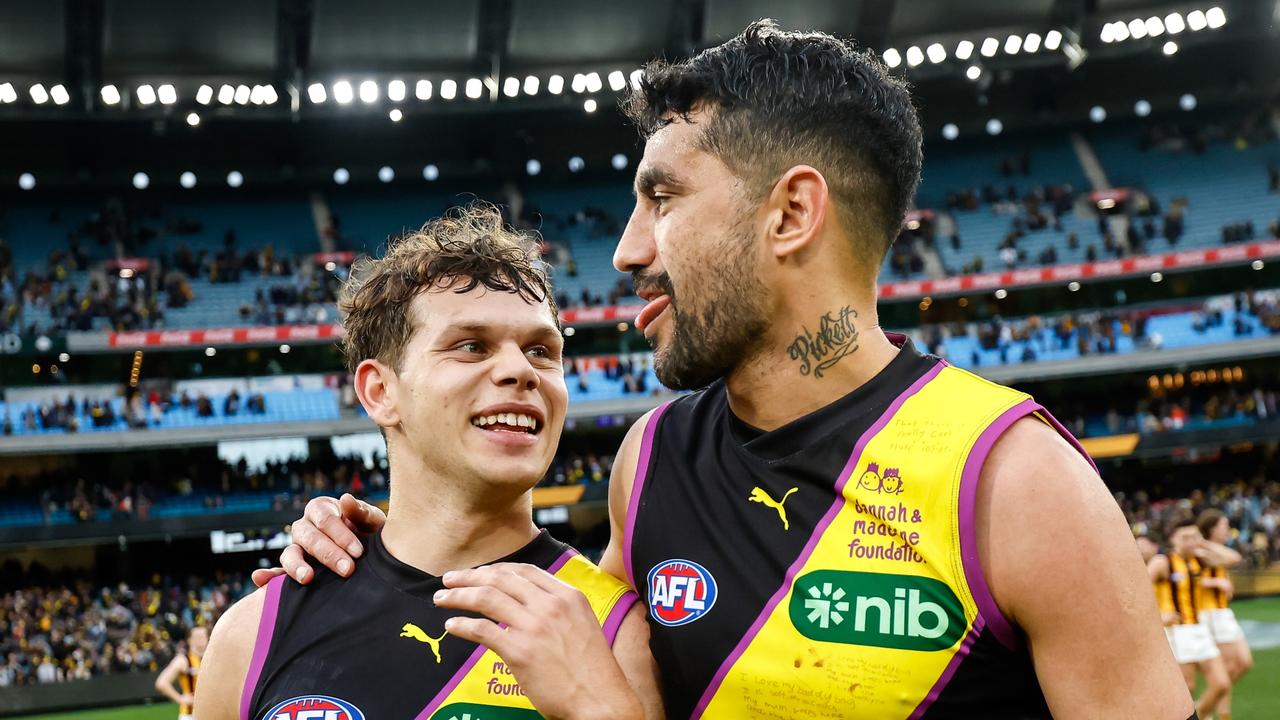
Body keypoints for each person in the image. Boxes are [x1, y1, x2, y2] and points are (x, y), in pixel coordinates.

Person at [261, 20, 1193, 719]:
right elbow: (545, 621)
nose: (626, 251)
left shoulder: (1017, 483)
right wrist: (372, 556)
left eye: (661, 197)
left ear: (789, 215)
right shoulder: (651, 458)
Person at [196, 207, 659, 720]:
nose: (520, 370)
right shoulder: (253, 633)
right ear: (380, 391)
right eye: (470, 346)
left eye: (541, 350)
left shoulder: (612, 633)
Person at [1148, 518, 1239, 719]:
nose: (1190, 541)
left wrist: (1202, 543)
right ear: (1173, 539)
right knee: (1187, 687)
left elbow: (1233, 558)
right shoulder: (1163, 562)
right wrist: (1160, 616)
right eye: (1185, 537)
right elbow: (1138, 588)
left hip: (1199, 628)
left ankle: (1203, 713)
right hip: (1177, 631)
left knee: (1221, 684)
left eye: (1194, 536)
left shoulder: (1200, 559)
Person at [1196, 509, 1252, 720]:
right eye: (1224, 525)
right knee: (1229, 667)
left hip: (1222, 612)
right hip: (1210, 614)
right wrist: (1202, 542)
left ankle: (1204, 707)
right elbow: (1192, 578)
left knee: (1244, 662)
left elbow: (1231, 559)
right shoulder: (1201, 552)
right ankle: (1219, 712)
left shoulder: (1214, 550)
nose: (1227, 529)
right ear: (1211, 529)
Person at [155, 626, 208, 720]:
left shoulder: (210, 660)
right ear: (189, 640)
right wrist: (180, 699)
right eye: (198, 636)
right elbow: (161, 683)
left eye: (204, 636)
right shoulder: (183, 660)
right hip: (189, 715)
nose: (202, 639)